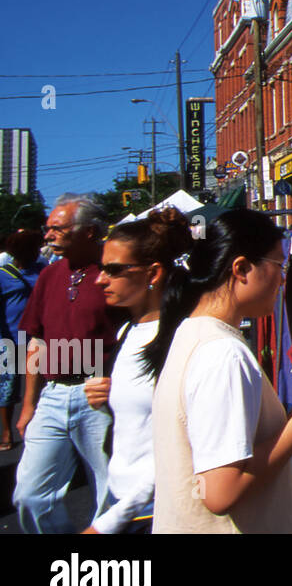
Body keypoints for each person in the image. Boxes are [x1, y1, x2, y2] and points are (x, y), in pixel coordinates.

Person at [146, 208, 292, 533]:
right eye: (278, 266)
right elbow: (222, 491)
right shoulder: (222, 353)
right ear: (241, 268)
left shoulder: (193, 333)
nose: (283, 278)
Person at [80, 207, 194, 534]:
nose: (100, 279)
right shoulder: (126, 333)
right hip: (122, 502)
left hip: (157, 511)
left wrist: (109, 523)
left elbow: (181, 447)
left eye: (113, 270)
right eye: (102, 268)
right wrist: (104, 395)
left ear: (152, 274)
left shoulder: (180, 339)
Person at [12, 195, 121, 533]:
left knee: (111, 494)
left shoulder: (115, 271)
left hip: (101, 394)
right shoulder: (48, 276)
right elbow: (36, 341)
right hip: (54, 394)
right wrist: (29, 404)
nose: (48, 235)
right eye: (48, 229)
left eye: (57, 229)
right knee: (30, 495)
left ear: (89, 232)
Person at [1, 230, 47, 452]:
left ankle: (38, 428)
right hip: (9, 337)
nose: (35, 253)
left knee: (40, 383)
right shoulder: (3, 274)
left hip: (38, 338)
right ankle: (7, 432)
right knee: (7, 387)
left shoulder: (43, 270)